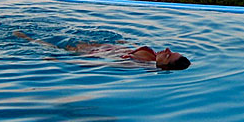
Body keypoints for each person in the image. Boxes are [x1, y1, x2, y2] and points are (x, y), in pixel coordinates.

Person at [13, 31, 191, 70]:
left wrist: (61, 61)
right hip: (102, 46)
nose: (166, 49)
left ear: (164, 65)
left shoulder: (136, 65)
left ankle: (28, 39)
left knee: (55, 45)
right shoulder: (151, 57)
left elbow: (100, 63)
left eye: (168, 54)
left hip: (91, 52)